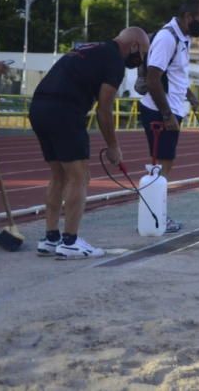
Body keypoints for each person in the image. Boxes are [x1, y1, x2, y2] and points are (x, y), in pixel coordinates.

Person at [29, 27, 150, 259]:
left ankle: (50, 238)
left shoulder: (90, 47)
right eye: (143, 52)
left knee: (58, 175)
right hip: (65, 110)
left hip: (39, 107)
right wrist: (113, 146)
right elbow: (104, 110)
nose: (141, 58)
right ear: (134, 45)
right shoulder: (114, 61)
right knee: (79, 176)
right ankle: (70, 242)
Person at [139, 0, 199, 233]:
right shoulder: (167, 37)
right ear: (188, 17)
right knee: (160, 166)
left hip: (172, 108)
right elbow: (153, 77)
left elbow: (174, 73)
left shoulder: (183, 37)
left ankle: (156, 214)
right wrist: (167, 114)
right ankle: (156, 215)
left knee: (164, 164)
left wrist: (189, 94)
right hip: (160, 111)